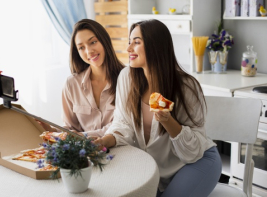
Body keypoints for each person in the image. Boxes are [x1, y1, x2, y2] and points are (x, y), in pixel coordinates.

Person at [95, 20, 221, 197]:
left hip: (196, 160)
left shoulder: (186, 86)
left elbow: (193, 150)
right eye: (129, 41)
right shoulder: (126, 78)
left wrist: (168, 121)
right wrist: (107, 140)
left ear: (155, 46)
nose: (129, 48)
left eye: (136, 42)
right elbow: (122, 123)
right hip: (154, 166)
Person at [37, 19, 125, 137]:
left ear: (104, 41)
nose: (89, 51)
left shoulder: (126, 79)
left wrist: (82, 136)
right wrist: (52, 130)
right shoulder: (71, 84)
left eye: (93, 42)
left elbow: (120, 127)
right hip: (85, 152)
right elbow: (70, 129)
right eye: (81, 47)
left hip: (121, 149)